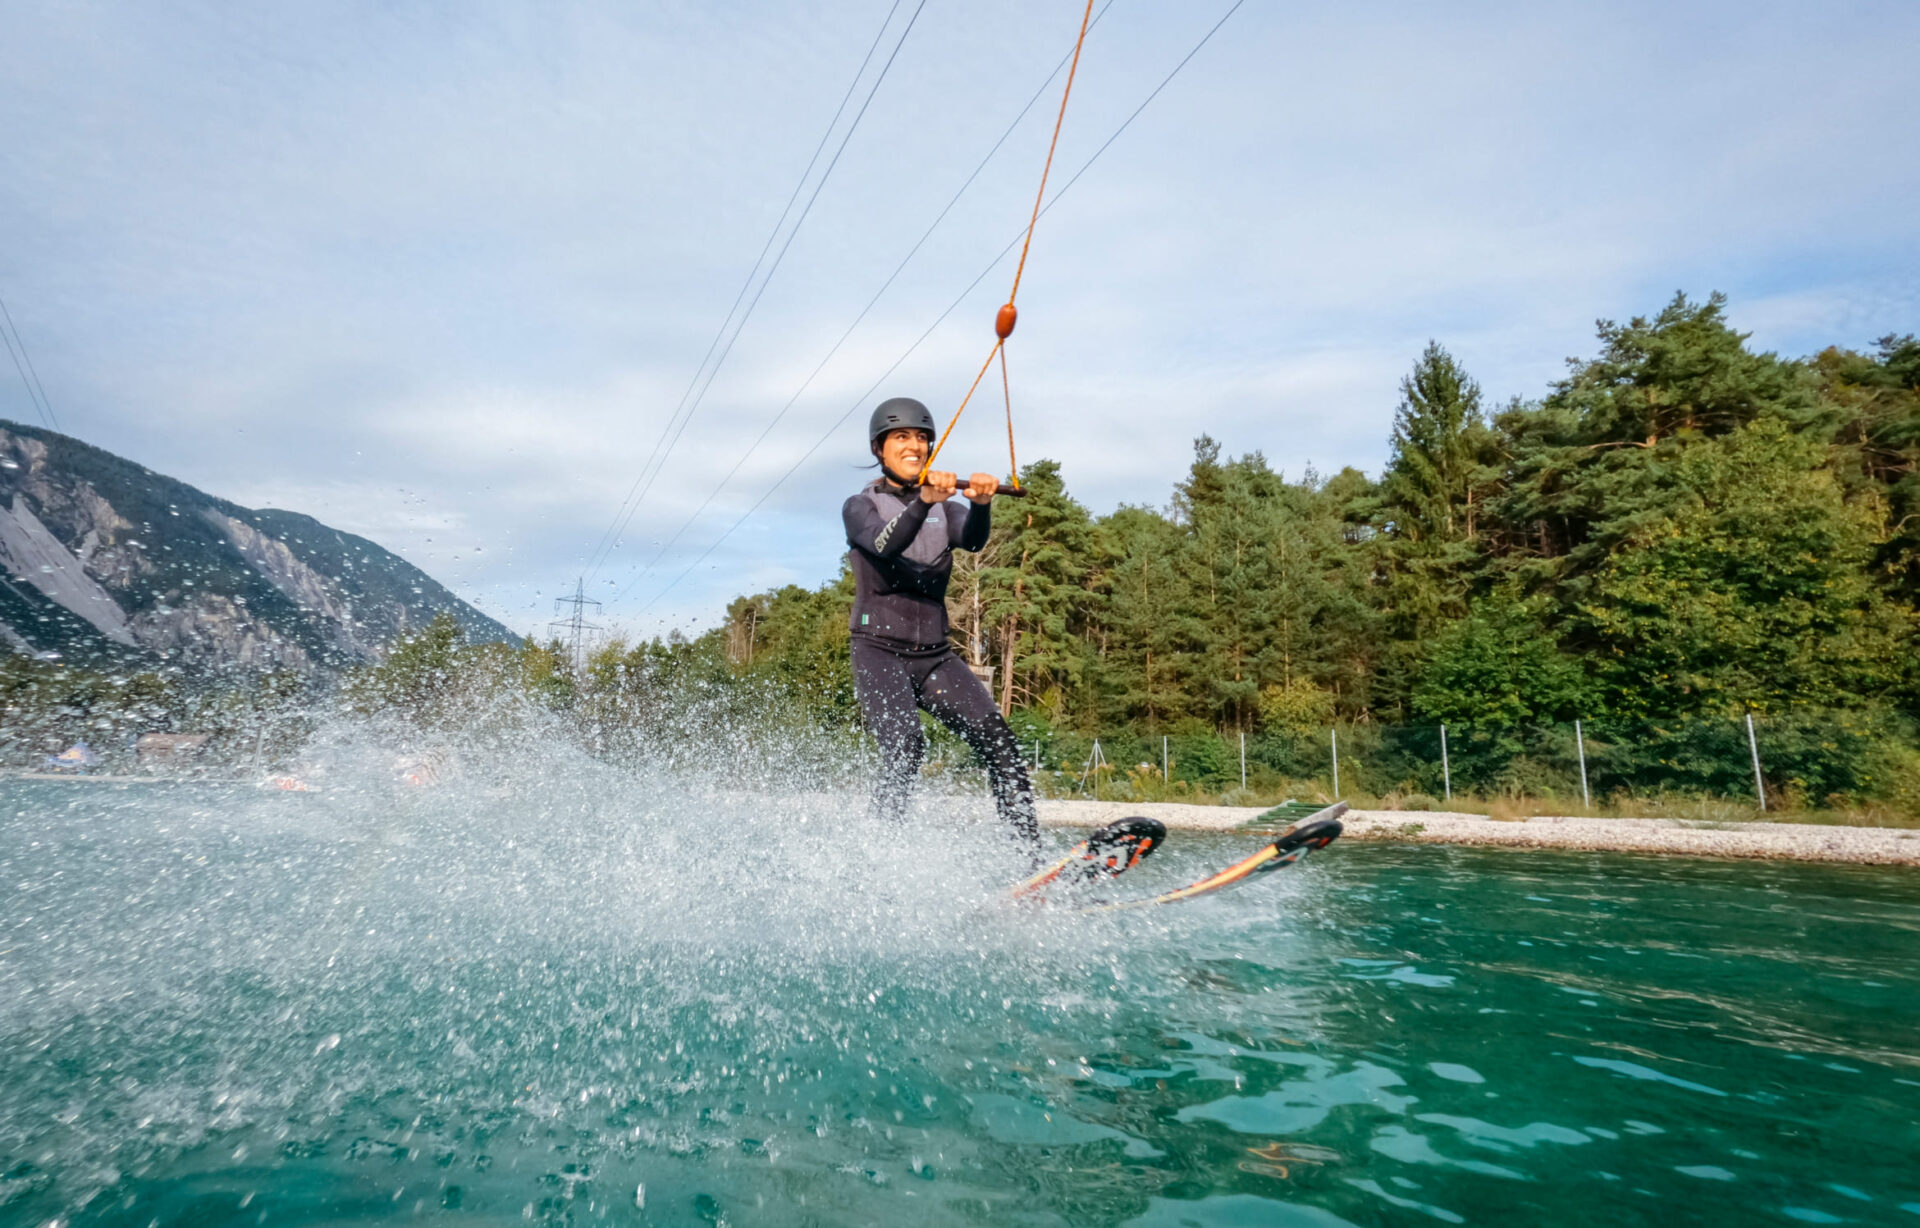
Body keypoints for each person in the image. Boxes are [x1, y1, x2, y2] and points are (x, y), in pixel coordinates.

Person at [843, 396, 1041, 859]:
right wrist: (922, 502)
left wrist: (983, 505)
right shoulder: (859, 506)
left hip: (934, 655)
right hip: (878, 650)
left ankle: (1030, 862)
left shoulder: (942, 507)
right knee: (906, 748)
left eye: (921, 438)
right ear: (879, 449)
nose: (914, 445)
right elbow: (883, 544)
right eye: (901, 437)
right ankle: (879, 857)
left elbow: (971, 539)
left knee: (1000, 741)